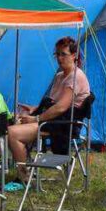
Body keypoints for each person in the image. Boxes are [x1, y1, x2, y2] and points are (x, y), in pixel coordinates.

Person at [6, 36, 91, 189]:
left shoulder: (75, 77)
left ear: (74, 55)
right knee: (11, 121)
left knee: (13, 133)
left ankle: (24, 178)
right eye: (57, 54)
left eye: (63, 54)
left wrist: (36, 119)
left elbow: (61, 108)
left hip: (64, 124)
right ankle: (22, 168)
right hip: (53, 120)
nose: (59, 58)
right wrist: (34, 109)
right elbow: (53, 102)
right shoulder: (60, 76)